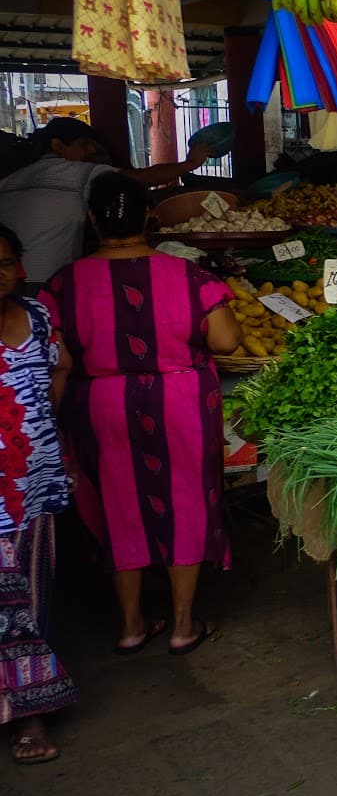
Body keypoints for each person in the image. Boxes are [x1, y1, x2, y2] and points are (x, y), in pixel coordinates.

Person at [40, 175, 242, 656]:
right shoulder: (192, 278)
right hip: (180, 403)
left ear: (92, 220)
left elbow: (58, 363)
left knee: (118, 505)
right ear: (150, 218)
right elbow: (226, 342)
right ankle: (183, 625)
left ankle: (131, 626)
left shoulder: (62, 285)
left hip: (100, 404)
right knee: (186, 503)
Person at [0, 224, 77, 763]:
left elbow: (63, 365)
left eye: (4, 262)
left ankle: (32, 715)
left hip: (36, 484)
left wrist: (41, 423)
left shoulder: (37, 315)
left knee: (30, 602)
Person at [0, 117, 212, 290]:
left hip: (9, 280)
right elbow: (138, 179)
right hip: (44, 281)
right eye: (85, 144)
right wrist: (190, 164)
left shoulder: (11, 179)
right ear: (57, 145)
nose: (92, 152)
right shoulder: (72, 170)